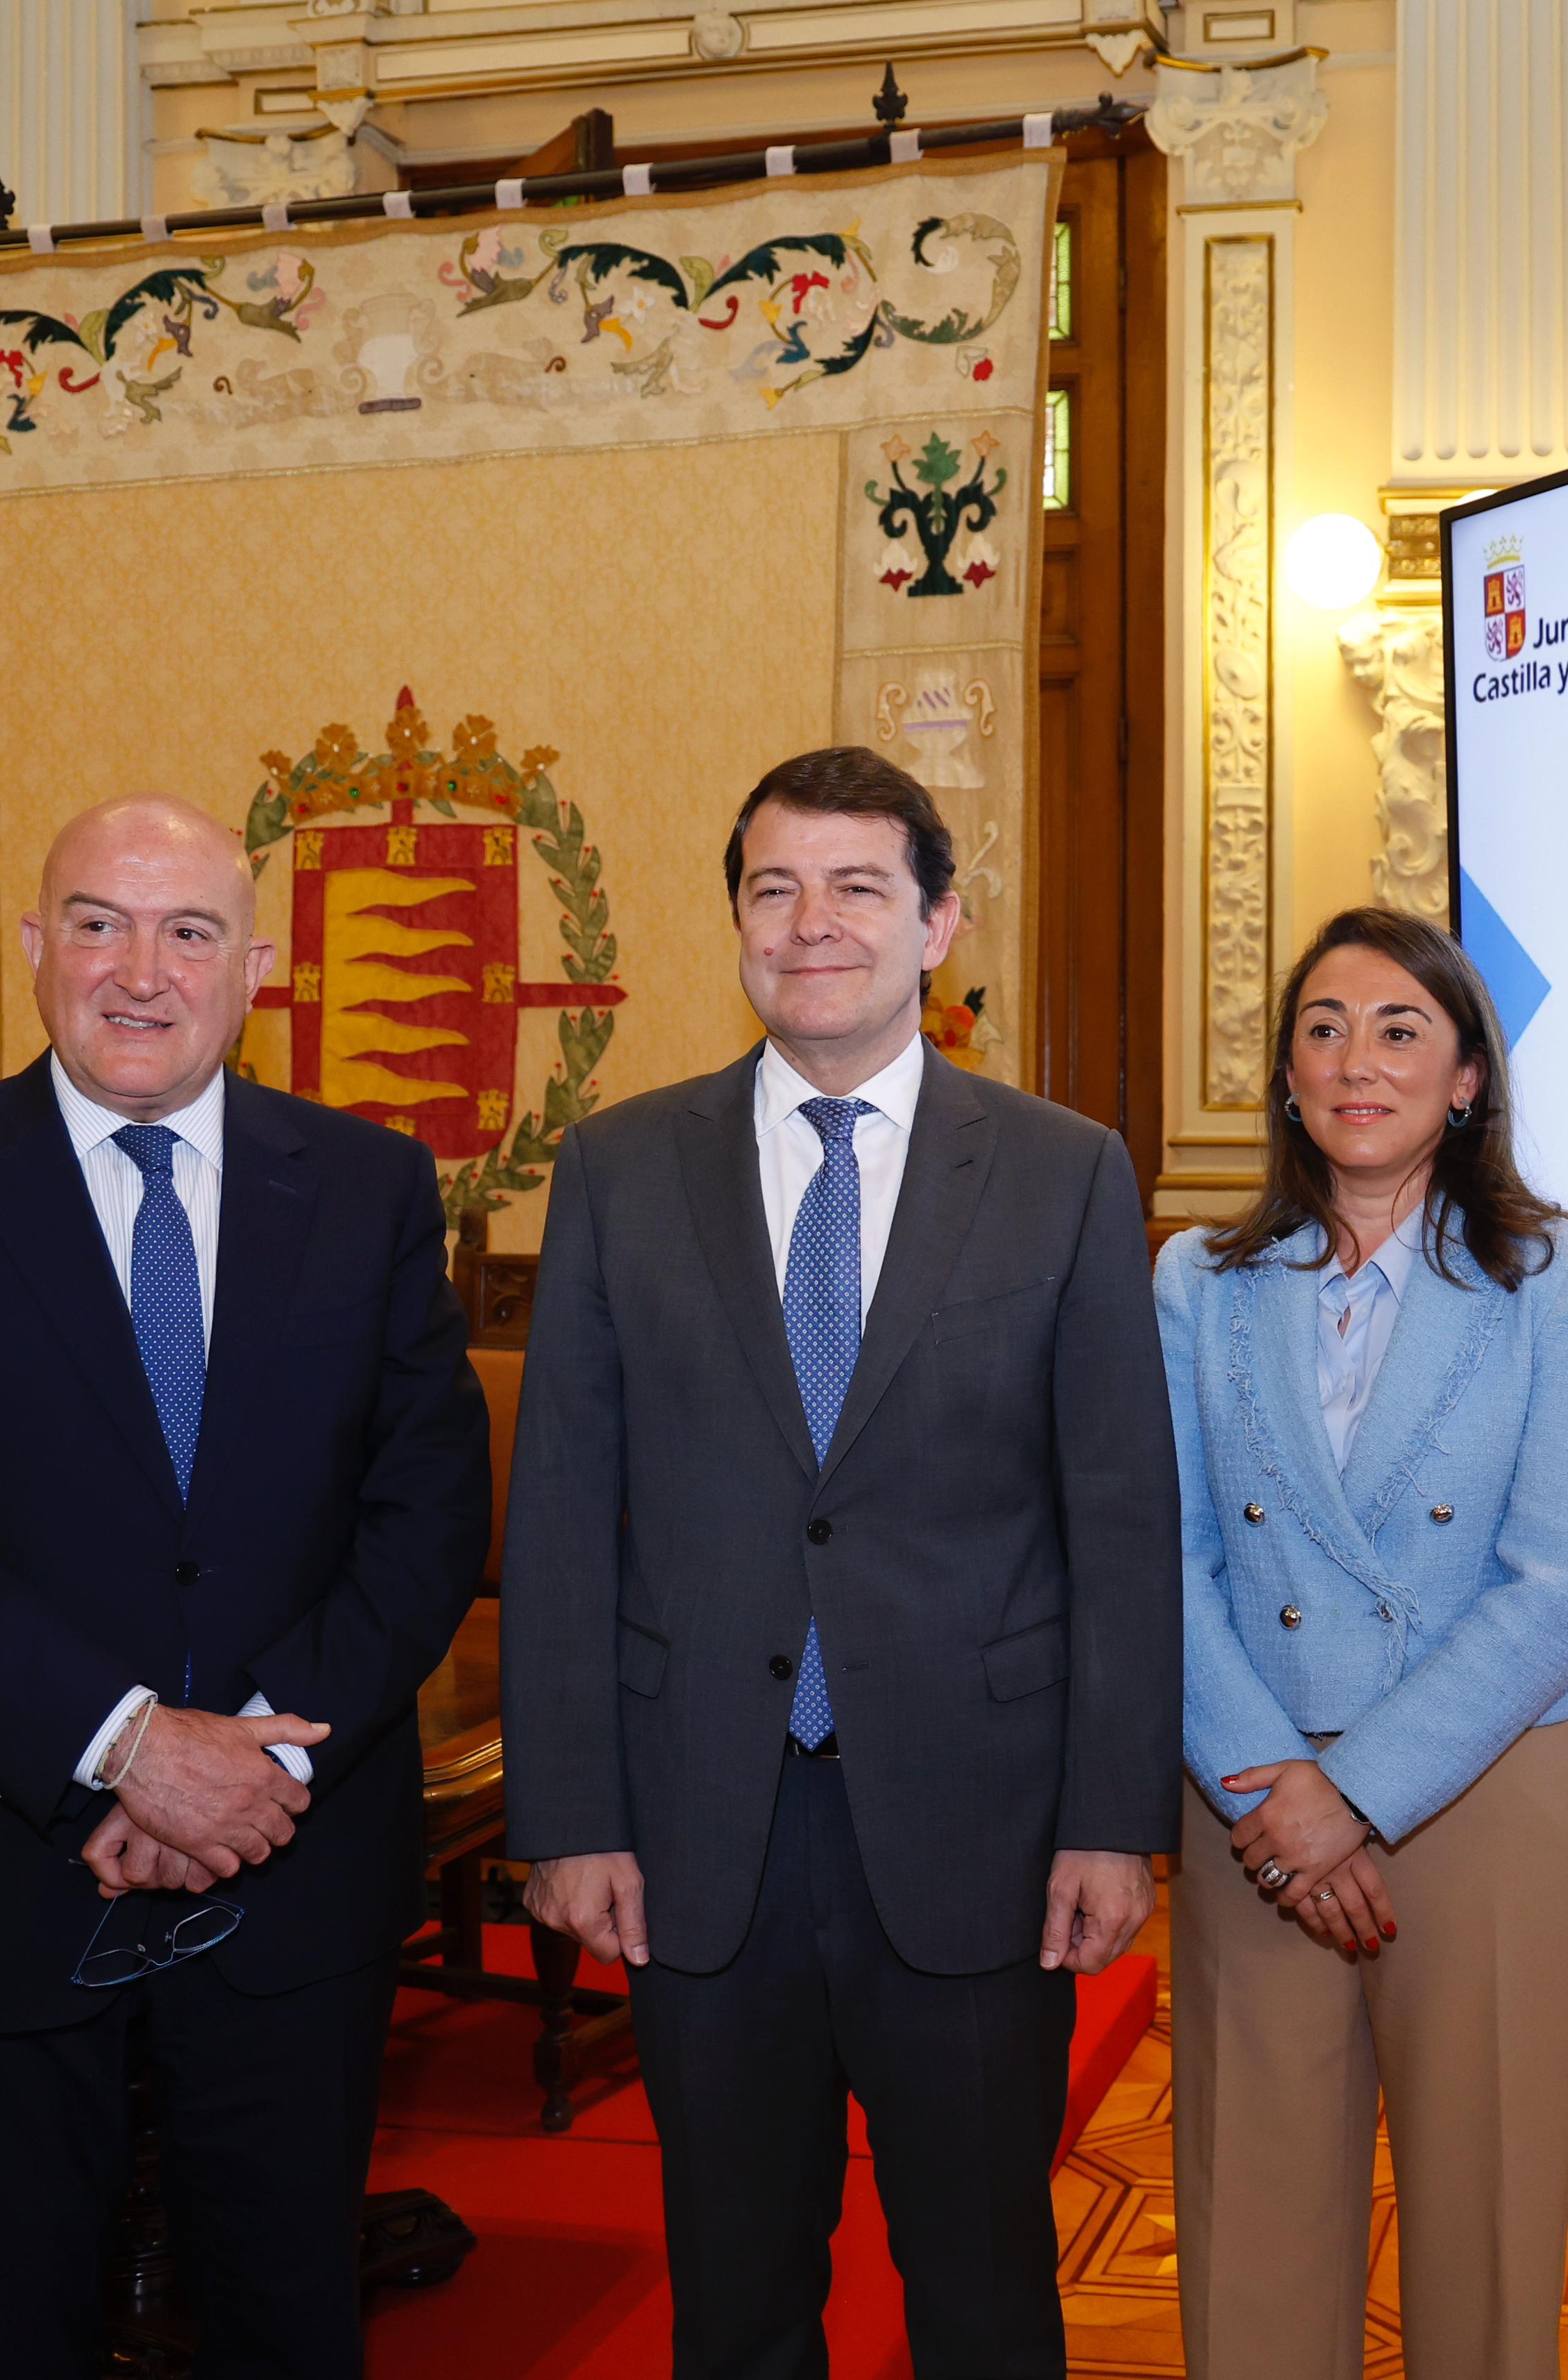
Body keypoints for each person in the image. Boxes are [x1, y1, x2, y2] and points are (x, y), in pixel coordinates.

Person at [0, 793, 492, 2379]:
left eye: (188, 931)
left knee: (286, 2321)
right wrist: (125, 1744)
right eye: (99, 923)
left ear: (257, 968)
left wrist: (252, 1761)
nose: (141, 970)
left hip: (289, 1873)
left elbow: (428, 1510)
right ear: (37, 946)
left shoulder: (372, 1188)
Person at [503, 747, 1178, 2379]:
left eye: (858, 886)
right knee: (735, 2299)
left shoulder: (1063, 1170)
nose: (812, 923)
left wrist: (1112, 1817)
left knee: (983, 2292)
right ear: (737, 921)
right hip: (699, 1832)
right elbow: (560, 1515)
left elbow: (1118, 1516)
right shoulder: (617, 1167)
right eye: (775, 887)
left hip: (977, 1827)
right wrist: (570, 1815)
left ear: (938, 922)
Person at [1158, 907, 1568, 2380]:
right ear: (1286, 1076)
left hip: (1482, 1791)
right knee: (1252, 2239)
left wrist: (1356, 1792)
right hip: (1249, 1794)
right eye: (1322, 1029)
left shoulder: (1562, 1277)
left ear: (1467, 1077)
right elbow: (1162, 1557)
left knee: (1488, 2242)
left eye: (1397, 1029)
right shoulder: (1197, 1281)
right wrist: (1278, 1790)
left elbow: (1563, 1579)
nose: (1355, 1061)